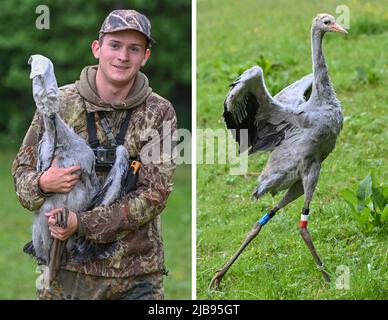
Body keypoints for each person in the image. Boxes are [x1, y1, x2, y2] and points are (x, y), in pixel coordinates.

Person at [12, 9, 177, 300]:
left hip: (136, 276)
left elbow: (155, 194)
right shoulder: (57, 102)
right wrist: (43, 184)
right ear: (97, 48)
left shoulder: (158, 112)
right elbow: (21, 175)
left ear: (145, 57)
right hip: (65, 274)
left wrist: (81, 223)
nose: (123, 56)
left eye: (134, 49)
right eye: (115, 45)